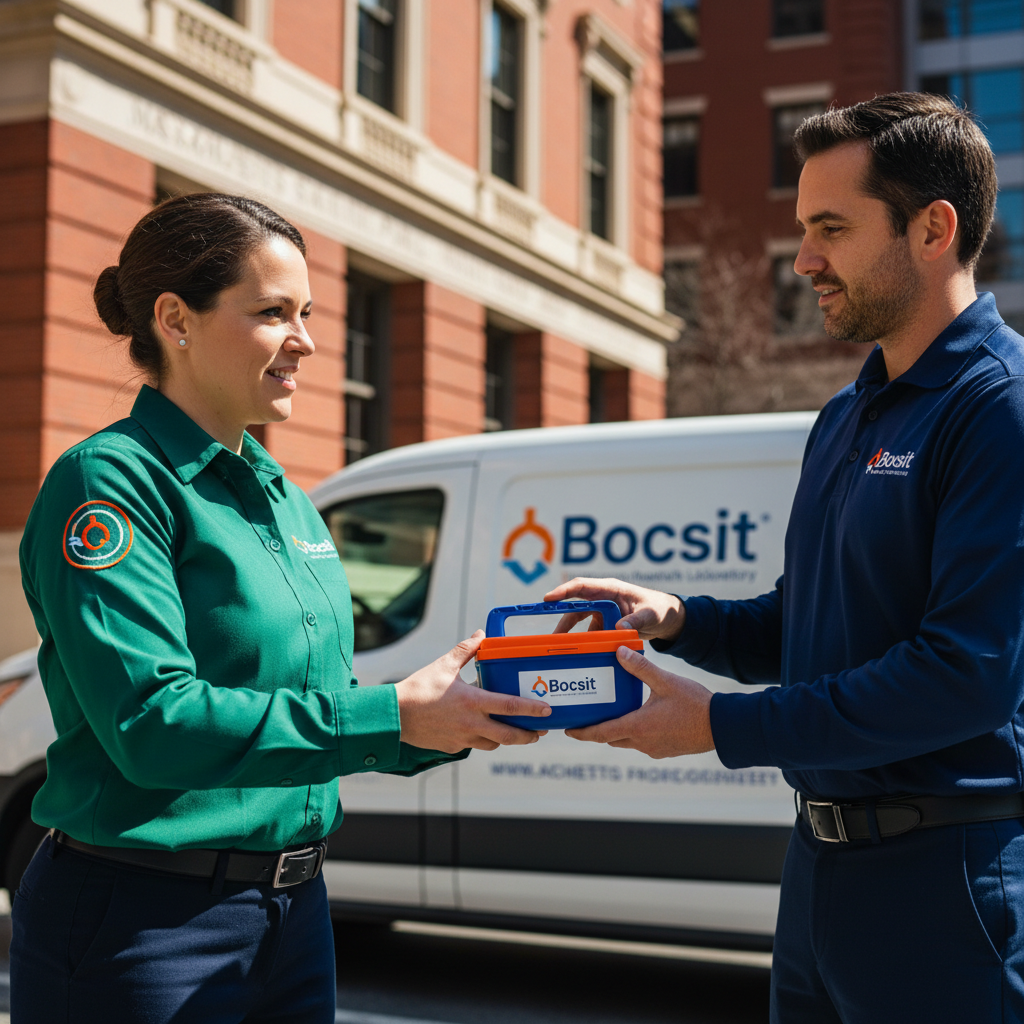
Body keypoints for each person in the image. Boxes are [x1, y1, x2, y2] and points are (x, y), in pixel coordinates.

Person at [11, 192, 551, 1024]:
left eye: (306, 312)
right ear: (175, 320)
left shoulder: (284, 496)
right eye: (272, 313)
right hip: (144, 922)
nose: (305, 340)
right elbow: (155, 725)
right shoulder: (111, 482)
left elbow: (318, 711)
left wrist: (457, 719)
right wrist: (393, 719)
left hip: (295, 916)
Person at [547, 93, 1024, 1022]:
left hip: (946, 882)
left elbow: (965, 677)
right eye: (805, 228)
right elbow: (810, 623)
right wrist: (679, 617)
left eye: (832, 229)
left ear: (934, 229)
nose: (805, 259)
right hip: (817, 875)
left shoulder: (1000, 410)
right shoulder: (850, 411)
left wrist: (724, 728)